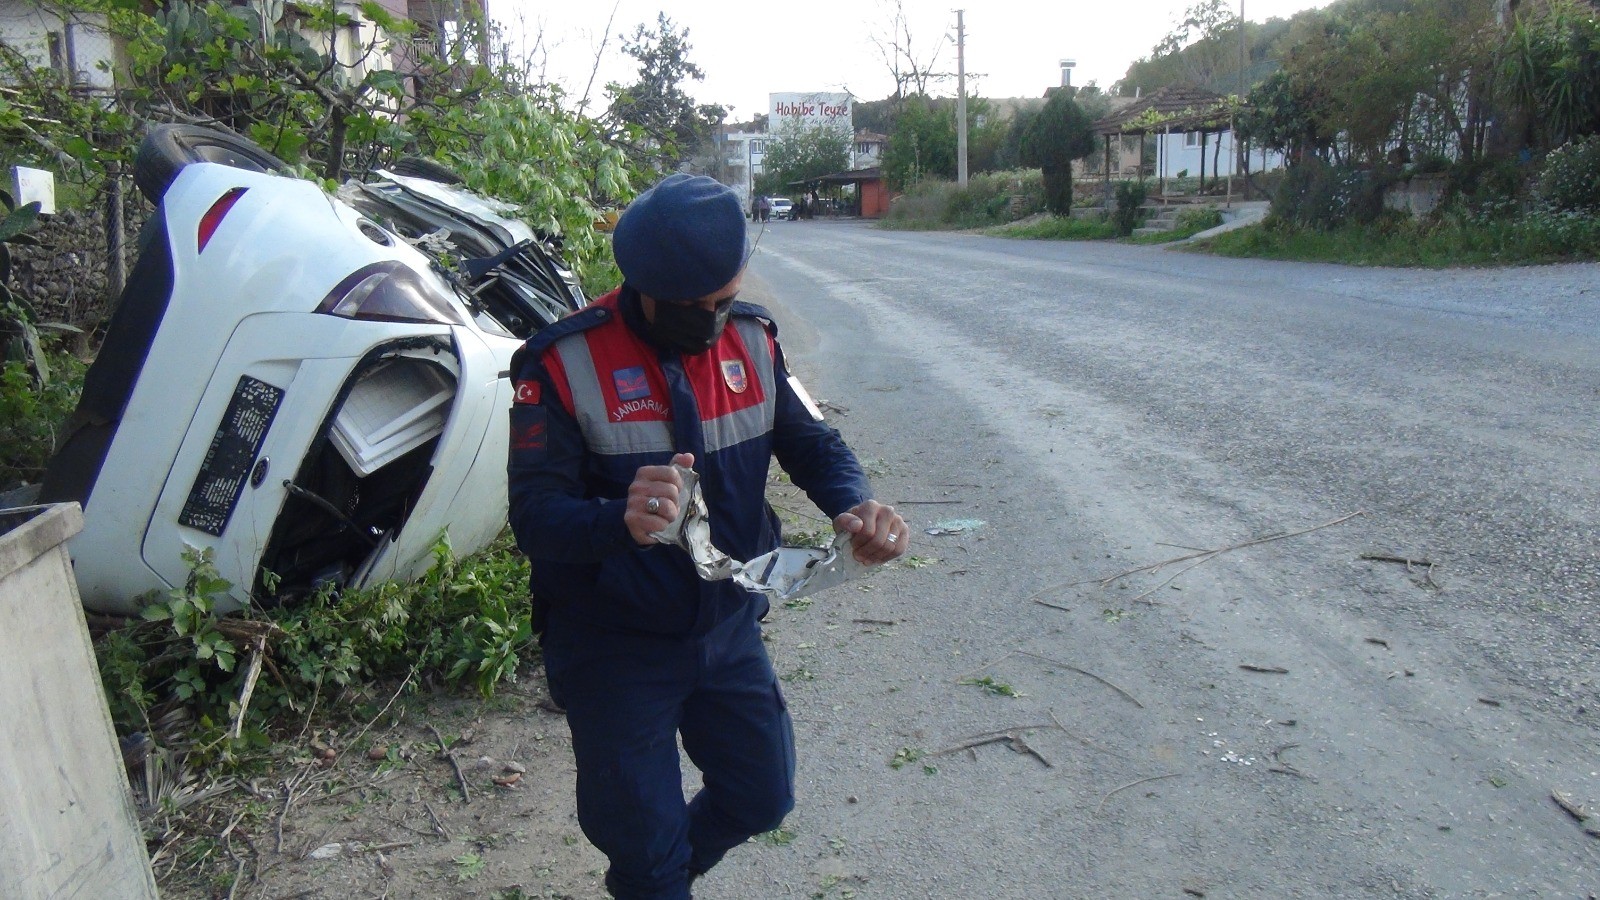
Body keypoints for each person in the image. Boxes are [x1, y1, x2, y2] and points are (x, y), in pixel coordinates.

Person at [506, 173, 908, 900]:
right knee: (645, 853)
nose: (715, 320)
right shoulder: (563, 365)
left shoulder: (752, 342)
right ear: (642, 285)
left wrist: (854, 507)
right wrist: (617, 519)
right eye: (696, 309)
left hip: (726, 629)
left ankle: (655, 879)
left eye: (725, 300)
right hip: (613, 648)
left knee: (762, 798)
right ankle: (651, 879)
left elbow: (811, 444)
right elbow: (533, 518)